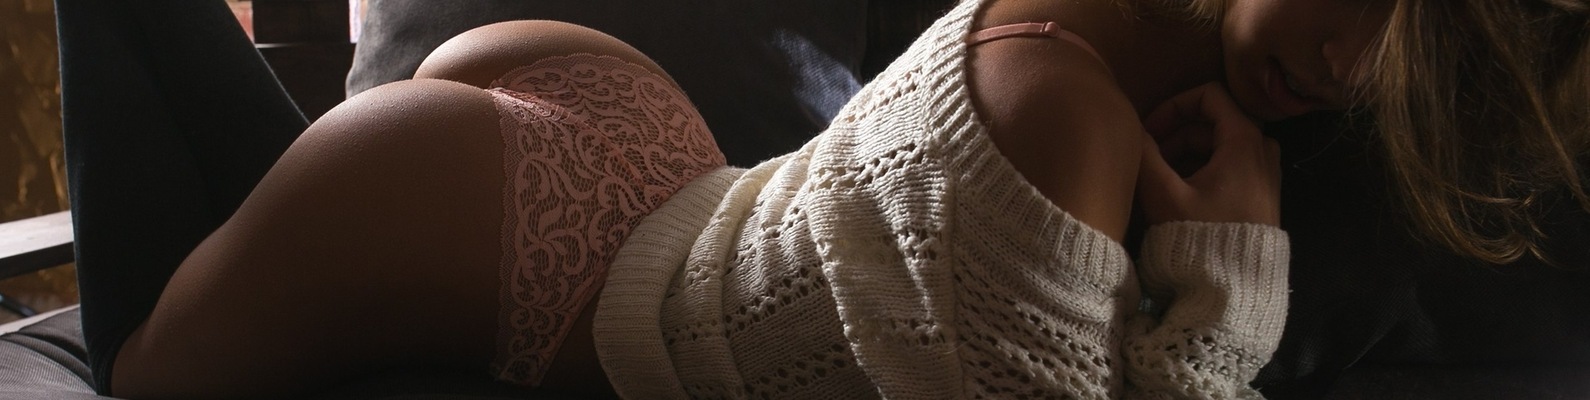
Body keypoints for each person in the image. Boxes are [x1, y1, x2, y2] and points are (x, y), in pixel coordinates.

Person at [86, 0, 1588, 399]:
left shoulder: (1137, 70)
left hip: (652, 172)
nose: (1351, 61)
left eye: (1411, 48)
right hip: (525, 227)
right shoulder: (1067, 107)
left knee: (217, 185)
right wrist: (1235, 264)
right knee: (146, 370)